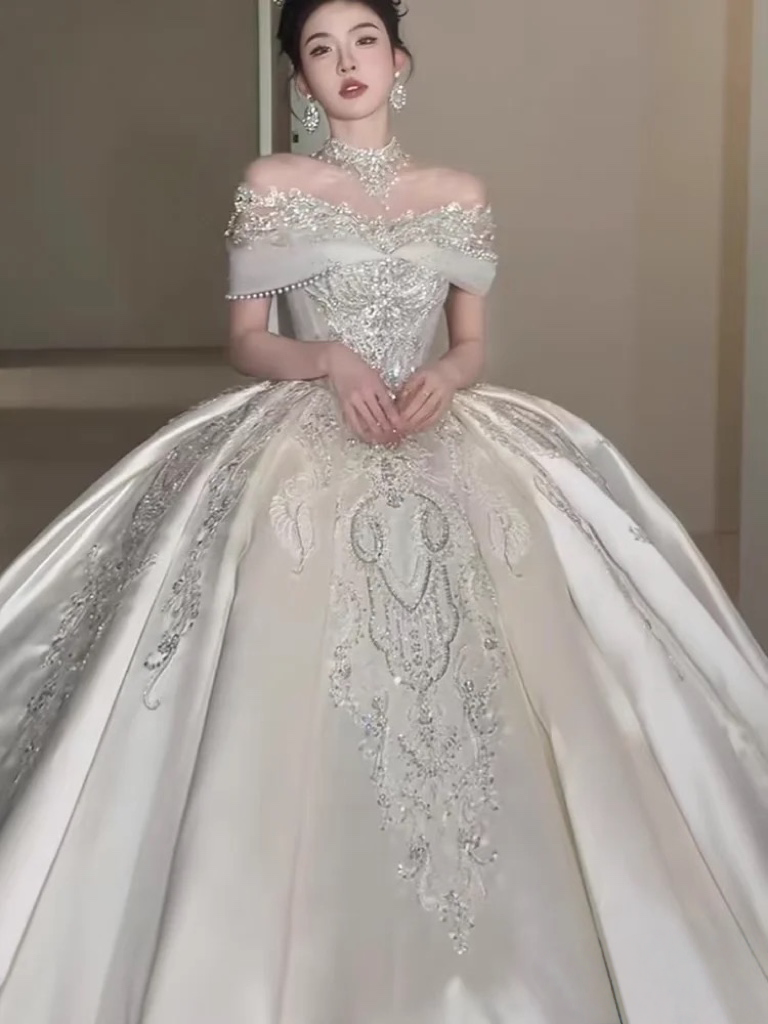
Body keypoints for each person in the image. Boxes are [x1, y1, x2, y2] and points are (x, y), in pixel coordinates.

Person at [0, 0, 767, 1020]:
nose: (346, 62)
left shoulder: (458, 193)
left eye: (363, 41)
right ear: (300, 81)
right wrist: (326, 359)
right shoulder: (274, 184)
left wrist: (446, 376)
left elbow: (471, 342)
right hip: (310, 426)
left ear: (399, 61)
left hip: (435, 424)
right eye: (320, 49)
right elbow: (246, 338)